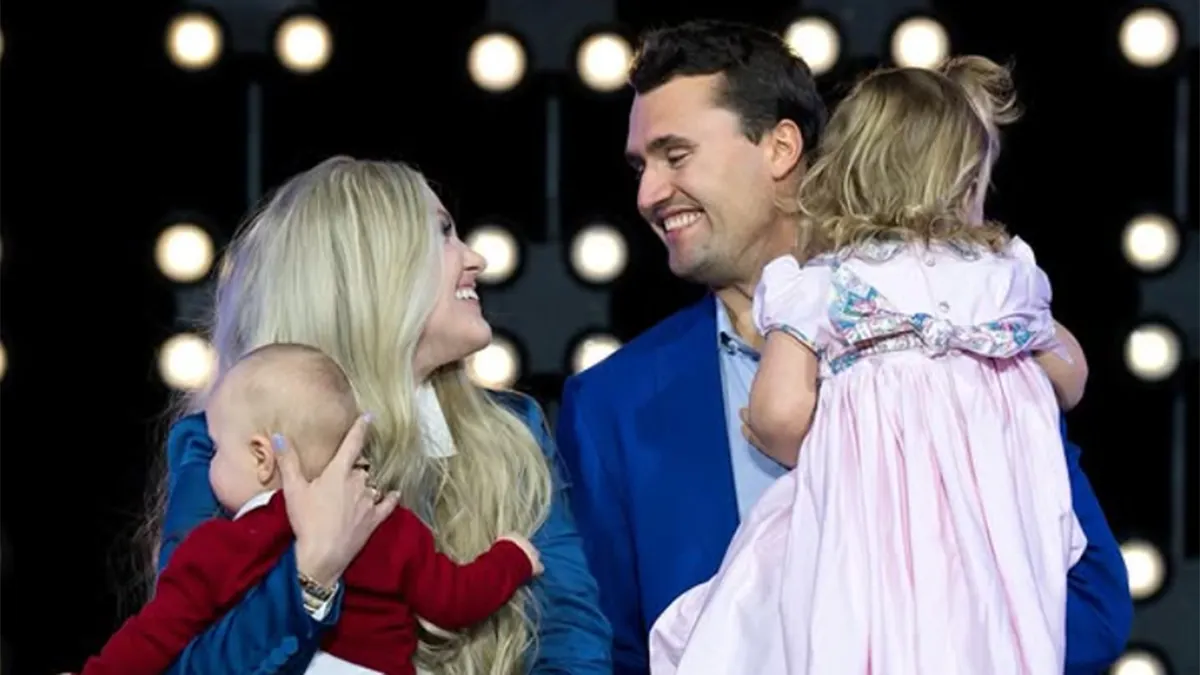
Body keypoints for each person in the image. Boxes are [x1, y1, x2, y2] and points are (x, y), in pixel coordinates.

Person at [556, 18, 1131, 675]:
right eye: (640, 166)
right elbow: (603, 652)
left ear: (780, 148)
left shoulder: (964, 331)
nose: (647, 194)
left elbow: (1091, 599)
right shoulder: (609, 407)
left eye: (674, 155)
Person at [138, 157, 612, 674]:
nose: (476, 258)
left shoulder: (513, 429)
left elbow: (572, 641)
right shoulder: (221, 442)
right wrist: (313, 571)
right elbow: (185, 663)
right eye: (443, 235)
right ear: (368, 272)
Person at [82, 343, 543, 675]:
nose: (209, 465)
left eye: (218, 450)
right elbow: (454, 599)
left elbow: (157, 633)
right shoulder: (393, 524)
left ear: (262, 458)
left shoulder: (224, 543)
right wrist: (512, 557)